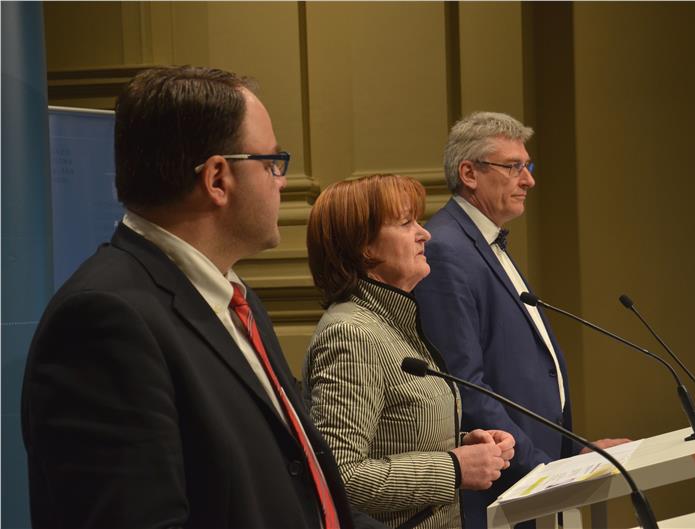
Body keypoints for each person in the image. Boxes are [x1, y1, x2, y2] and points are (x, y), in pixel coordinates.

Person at [21, 66, 386, 529]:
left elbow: (308, 489)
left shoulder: (236, 301)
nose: (282, 182)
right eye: (272, 163)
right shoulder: (102, 321)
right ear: (217, 179)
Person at [414, 112, 628, 529]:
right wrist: (545, 468)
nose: (528, 180)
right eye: (514, 167)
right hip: (499, 489)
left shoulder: (483, 240)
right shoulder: (446, 249)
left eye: (527, 166)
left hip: (528, 474)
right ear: (469, 174)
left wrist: (571, 454)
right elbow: (466, 386)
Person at [302, 174, 516, 529]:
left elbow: (394, 435)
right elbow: (340, 476)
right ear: (364, 247)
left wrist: (467, 446)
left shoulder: (394, 322)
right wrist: (454, 467)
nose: (424, 234)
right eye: (405, 223)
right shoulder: (351, 334)